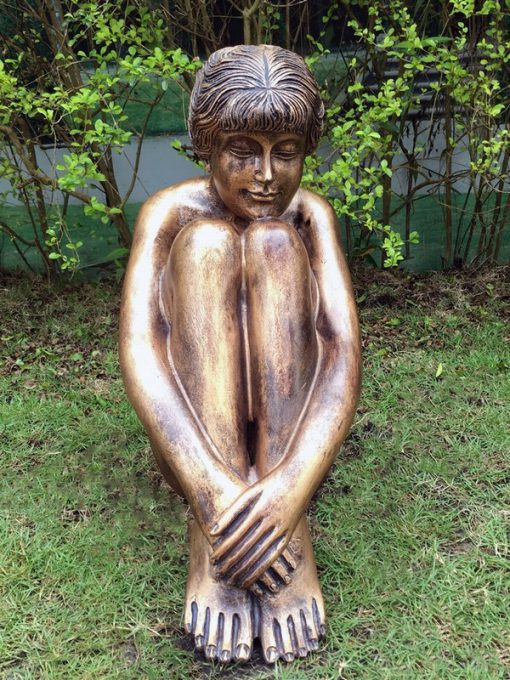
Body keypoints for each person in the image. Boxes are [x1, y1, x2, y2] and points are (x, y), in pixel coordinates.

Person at [119, 44, 361, 664]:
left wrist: (291, 489)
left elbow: (340, 351)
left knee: (277, 243)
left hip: (290, 445)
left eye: (286, 153)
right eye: (243, 151)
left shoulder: (309, 217)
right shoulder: (169, 214)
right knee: (205, 247)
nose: (265, 176)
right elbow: (142, 348)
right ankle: (218, 542)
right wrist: (209, 496)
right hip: (198, 447)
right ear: (207, 146)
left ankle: (287, 525)